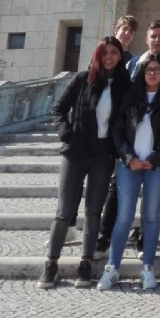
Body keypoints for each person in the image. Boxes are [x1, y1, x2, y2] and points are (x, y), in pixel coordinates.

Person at [40, 37, 130, 289]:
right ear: (97, 56)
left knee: (93, 211)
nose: (109, 57)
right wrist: (66, 133)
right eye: (105, 53)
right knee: (64, 210)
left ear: (120, 56)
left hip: (103, 154)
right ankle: (51, 263)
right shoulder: (82, 79)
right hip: (76, 152)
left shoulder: (125, 86)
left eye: (114, 52)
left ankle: (85, 263)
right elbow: (58, 109)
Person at [97, 53, 160, 290]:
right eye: (148, 69)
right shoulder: (131, 97)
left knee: (151, 216)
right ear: (142, 72)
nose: (152, 73)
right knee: (124, 216)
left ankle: (147, 269)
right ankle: (112, 268)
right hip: (130, 165)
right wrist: (128, 157)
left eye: (157, 69)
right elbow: (118, 131)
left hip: (157, 165)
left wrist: (155, 158)